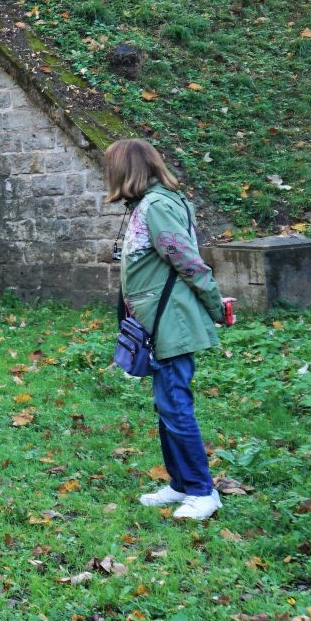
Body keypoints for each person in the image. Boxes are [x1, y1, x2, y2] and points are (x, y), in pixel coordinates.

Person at [104, 137, 227, 522]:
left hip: (170, 320)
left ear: (128, 170)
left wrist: (215, 305)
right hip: (158, 321)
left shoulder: (157, 206)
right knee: (167, 406)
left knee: (176, 404)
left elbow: (187, 261)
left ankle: (203, 492)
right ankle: (181, 484)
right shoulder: (151, 203)